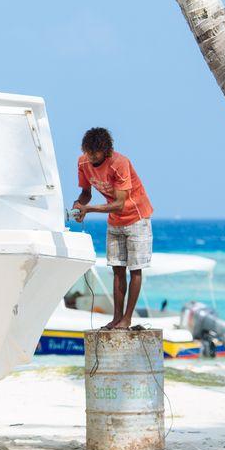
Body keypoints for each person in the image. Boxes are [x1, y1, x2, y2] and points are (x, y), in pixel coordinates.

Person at [73, 127, 154, 330]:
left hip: (137, 217)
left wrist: (89, 209)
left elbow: (119, 203)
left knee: (135, 269)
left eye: (95, 153)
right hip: (115, 220)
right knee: (117, 269)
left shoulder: (119, 163)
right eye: (88, 152)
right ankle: (117, 318)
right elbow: (86, 193)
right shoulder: (83, 162)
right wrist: (78, 205)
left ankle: (127, 318)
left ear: (106, 150)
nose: (91, 157)